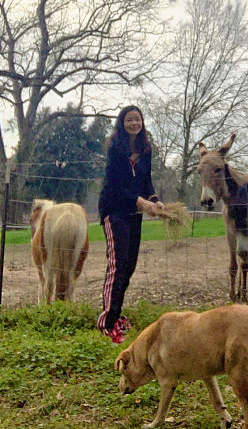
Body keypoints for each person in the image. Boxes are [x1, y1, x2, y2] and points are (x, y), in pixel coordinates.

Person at [97, 105, 165, 343]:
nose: (134, 123)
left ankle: (116, 316)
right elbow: (116, 187)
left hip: (134, 212)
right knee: (117, 265)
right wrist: (140, 202)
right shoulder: (116, 149)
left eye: (138, 120)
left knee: (130, 266)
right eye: (129, 120)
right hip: (114, 210)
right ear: (122, 123)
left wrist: (155, 200)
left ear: (142, 123)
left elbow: (146, 182)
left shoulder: (146, 150)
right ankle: (106, 322)